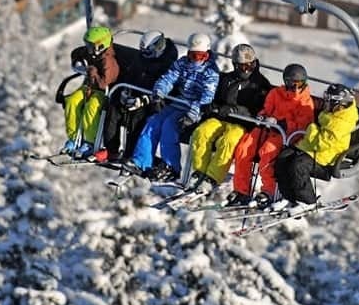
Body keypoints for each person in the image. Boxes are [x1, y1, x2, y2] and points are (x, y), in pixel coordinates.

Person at [118, 32, 220, 182]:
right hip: (177, 102)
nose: (196, 61)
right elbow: (168, 78)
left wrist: (192, 114)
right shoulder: (182, 63)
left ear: (207, 54)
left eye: (200, 57)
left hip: (193, 109)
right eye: (193, 56)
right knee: (153, 122)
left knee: (169, 126)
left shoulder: (211, 72)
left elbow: (207, 97)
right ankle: (141, 161)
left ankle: (171, 167)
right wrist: (159, 92)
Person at [226, 63, 315, 208]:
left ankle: (269, 191)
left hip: (286, 135)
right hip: (267, 128)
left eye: (300, 84)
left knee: (266, 152)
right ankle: (241, 190)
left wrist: (282, 123)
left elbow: (303, 125)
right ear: (286, 82)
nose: (296, 87)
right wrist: (262, 117)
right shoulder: (276, 94)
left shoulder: (305, 102)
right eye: (292, 84)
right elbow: (266, 109)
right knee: (244, 148)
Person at [188, 43, 272, 194]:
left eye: (249, 66)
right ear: (235, 65)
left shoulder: (260, 85)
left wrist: (235, 110)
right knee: (201, 132)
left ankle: (212, 178)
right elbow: (217, 97)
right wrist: (211, 105)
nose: (247, 70)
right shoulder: (227, 79)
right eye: (242, 67)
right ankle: (199, 172)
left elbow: (258, 111)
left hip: (242, 124)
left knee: (228, 141)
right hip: (221, 118)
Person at [92, 30, 178, 163]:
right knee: (114, 107)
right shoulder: (141, 58)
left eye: (147, 52)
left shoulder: (170, 65)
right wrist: (125, 92)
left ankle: (130, 154)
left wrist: (144, 100)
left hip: (154, 102)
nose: (144, 55)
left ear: (158, 48)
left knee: (138, 116)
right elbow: (130, 75)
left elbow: (167, 89)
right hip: (135, 94)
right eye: (142, 52)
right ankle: (112, 150)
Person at [273, 84, 359, 211]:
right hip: (313, 151)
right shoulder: (332, 115)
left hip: (327, 159)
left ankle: (307, 201)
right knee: (284, 156)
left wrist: (311, 128)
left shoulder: (341, 123)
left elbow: (321, 144)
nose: (326, 104)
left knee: (298, 165)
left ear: (339, 105)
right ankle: (288, 197)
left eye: (329, 102)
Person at [62, 26, 120, 158]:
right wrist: (77, 61)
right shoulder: (92, 52)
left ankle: (90, 141)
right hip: (89, 87)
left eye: (90, 45)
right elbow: (77, 52)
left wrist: (93, 73)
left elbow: (104, 83)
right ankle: (73, 138)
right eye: (87, 45)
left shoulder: (109, 62)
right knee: (72, 101)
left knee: (91, 108)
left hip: (103, 92)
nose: (87, 48)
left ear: (100, 45)